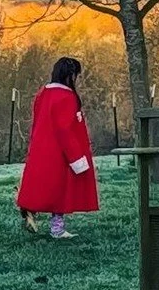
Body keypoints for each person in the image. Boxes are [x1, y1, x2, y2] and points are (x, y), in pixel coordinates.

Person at [16, 57, 100, 237]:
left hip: (42, 147)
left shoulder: (43, 94)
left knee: (43, 185)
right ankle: (57, 228)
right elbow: (65, 130)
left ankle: (30, 208)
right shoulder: (66, 97)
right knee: (61, 191)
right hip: (60, 151)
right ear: (70, 75)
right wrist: (76, 157)